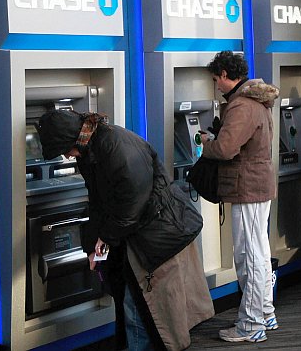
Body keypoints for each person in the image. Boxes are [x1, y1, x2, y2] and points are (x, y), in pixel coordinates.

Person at [37, 110, 214, 351]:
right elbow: (98, 201)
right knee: (139, 305)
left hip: (155, 233)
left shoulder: (115, 148)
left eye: (63, 150)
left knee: (140, 305)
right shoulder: (92, 149)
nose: (66, 157)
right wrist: (92, 244)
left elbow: (132, 205)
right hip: (140, 233)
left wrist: (106, 237)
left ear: (72, 138)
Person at [198, 51, 280, 344]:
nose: (215, 85)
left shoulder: (241, 105)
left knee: (250, 256)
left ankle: (251, 323)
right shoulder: (253, 101)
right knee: (255, 250)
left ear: (224, 74)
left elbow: (226, 149)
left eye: (215, 79)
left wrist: (205, 145)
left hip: (248, 187)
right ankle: (265, 312)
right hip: (255, 185)